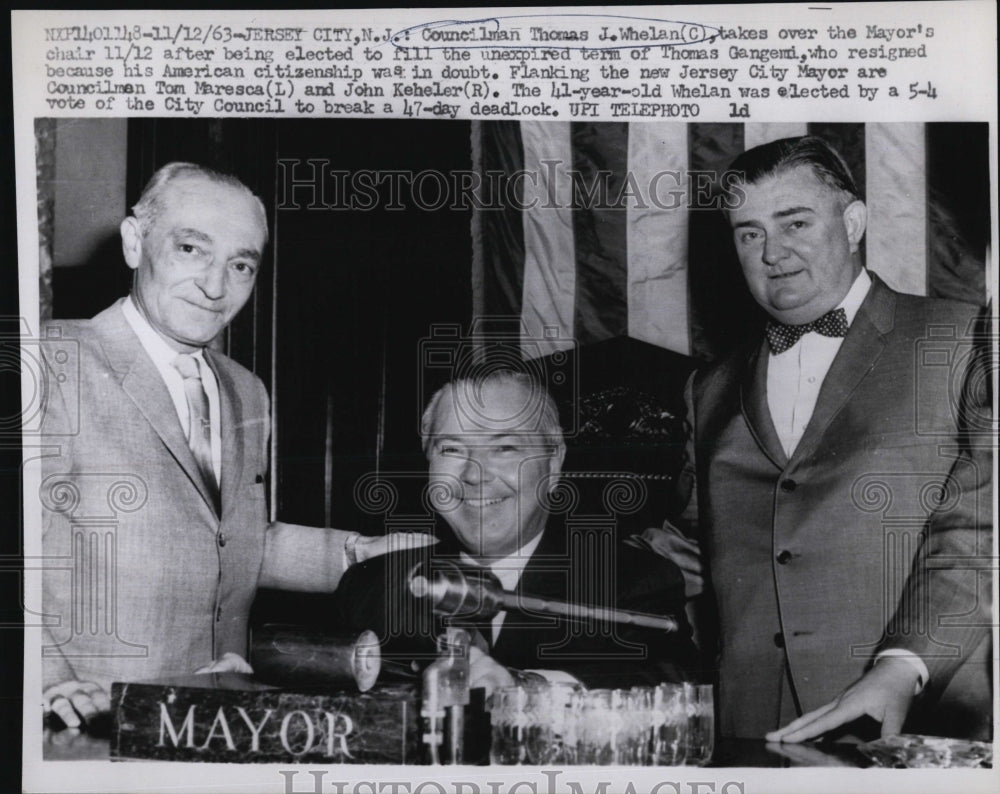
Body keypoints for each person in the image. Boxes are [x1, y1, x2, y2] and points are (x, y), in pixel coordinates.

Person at [39, 163, 431, 729]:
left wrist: (355, 553)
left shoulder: (245, 390)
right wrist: (50, 683)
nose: (216, 286)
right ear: (133, 242)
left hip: (215, 715)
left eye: (241, 264)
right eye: (192, 249)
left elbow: (233, 541)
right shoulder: (51, 360)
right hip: (87, 723)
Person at [640, 136, 992, 741]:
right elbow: (689, 556)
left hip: (922, 728)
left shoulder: (965, 341)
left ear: (854, 222)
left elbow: (985, 528)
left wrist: (903, 666)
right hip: (752, 733)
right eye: (749, 233)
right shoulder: (710, 388)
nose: (772, 252)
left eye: (795, 222)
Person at [331, 369, 700, 691]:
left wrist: (529, 689)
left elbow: (676, 680)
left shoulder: (630, 579)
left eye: (505, 448)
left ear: (554, 464)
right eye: (452, 450)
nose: (475, 475)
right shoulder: (370, 587)